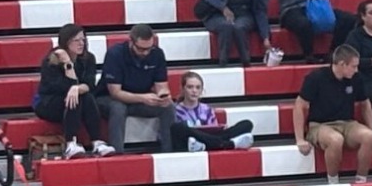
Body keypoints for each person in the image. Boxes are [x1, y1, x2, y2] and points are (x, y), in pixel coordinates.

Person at [295, 47, 372, 182]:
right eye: (353, 66)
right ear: (342, 64)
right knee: (335, 139)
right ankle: (333, 181)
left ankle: (361, 180)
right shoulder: (316, 77)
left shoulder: (356, 78)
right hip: (320, 125)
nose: (356, 70)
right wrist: (299, 139)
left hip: (347, 123)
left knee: (368, 136)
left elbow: (365, 103)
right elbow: (299, 105)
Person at [33, 26, 113, 158]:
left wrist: (76, 88)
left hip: (76, 100)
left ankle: (97, 142)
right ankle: (70, 143)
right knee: (80, 97)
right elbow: (61, 87)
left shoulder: (89, 58)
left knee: (85, 96)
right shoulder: (51, 60)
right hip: (49, 102)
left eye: (83, 39)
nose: (81, 43)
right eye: (76, 40)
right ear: (65, 42)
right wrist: (68, 63)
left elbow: (90, 84)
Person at [101, 24, 175, 153]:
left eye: (149, 48)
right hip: (108, 98)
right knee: (118, 107)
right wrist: (143, 98)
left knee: (168, 107)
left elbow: (162, 86)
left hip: (140, 99)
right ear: (131, 42)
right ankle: (117, 153)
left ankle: (168, 151)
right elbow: (115, 93)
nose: (145, 52)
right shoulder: (115, 54)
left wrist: (163, 96)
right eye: (141, 49)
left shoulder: (157, 54)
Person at [170, 72, 253, 153]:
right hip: (189, 141)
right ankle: (229, 144)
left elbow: (213, 129)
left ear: (202, 90)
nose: (194, 91)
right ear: (183, 89)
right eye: (190, 87)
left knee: (247, 124)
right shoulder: (175, 109)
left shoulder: (206, 108)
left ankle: (205, 146)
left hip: (210, 138)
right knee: (178, 128)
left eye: (198, 87)